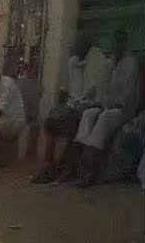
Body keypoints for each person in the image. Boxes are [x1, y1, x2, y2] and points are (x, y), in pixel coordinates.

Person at [33, 34, 109, 183]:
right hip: (72, 105)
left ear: (87, 46)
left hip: (89, 106)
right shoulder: (73, 61)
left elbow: (96, 93)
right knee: (50, 122)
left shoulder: (97, 60)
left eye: (79, 45)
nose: (75, 48)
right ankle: (48, 166)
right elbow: (64, 90)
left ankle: (59, 167)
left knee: (65, 123)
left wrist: (74, 105)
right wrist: (61, 105)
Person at [72, 30, 141, 186]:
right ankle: (80, 158)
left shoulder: (130, 63)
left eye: (119, 42)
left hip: (123, 110)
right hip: (108, 106)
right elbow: (104, 90)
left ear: (123, 43)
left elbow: (127, 97)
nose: (116, 46)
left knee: (104, 118)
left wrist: (107, 105)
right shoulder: (111, 63)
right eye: (114, 42)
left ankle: (89, 170)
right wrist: (102, 103)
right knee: (88, 115)